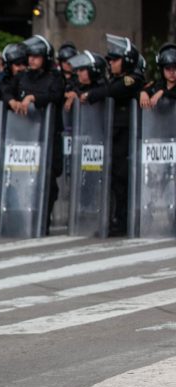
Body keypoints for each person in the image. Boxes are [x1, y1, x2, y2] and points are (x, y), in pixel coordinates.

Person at [2, 35, 65, 232]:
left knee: (47, 180)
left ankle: (42, 222)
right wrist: (10, 100)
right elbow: (3, 89)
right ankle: (21, 221)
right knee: (21, 180)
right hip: (23, 138)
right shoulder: (22, 77)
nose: (31, 60)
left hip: (48, 137)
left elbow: (56, 95)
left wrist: (34, 98)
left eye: (36, 56)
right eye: (29, 56)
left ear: (45, 58)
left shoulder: (55, 77)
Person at [105, 34, 143, 236]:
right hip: (115, 136)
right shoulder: (115, 79)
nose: (111, 63)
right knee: (115, 181)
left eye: (115, 59)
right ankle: (117, 219)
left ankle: (124, 221)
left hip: (126, 136)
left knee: (123, 179)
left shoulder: (133, 79)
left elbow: (112, 91)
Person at [140, 43, 176, 109]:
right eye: (168, 68)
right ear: (162, 69)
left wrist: (163, 92)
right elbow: (139, 90)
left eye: (175, 68)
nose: (172, 72)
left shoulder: (161, 90)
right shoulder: (157, 84)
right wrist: (143, 92)